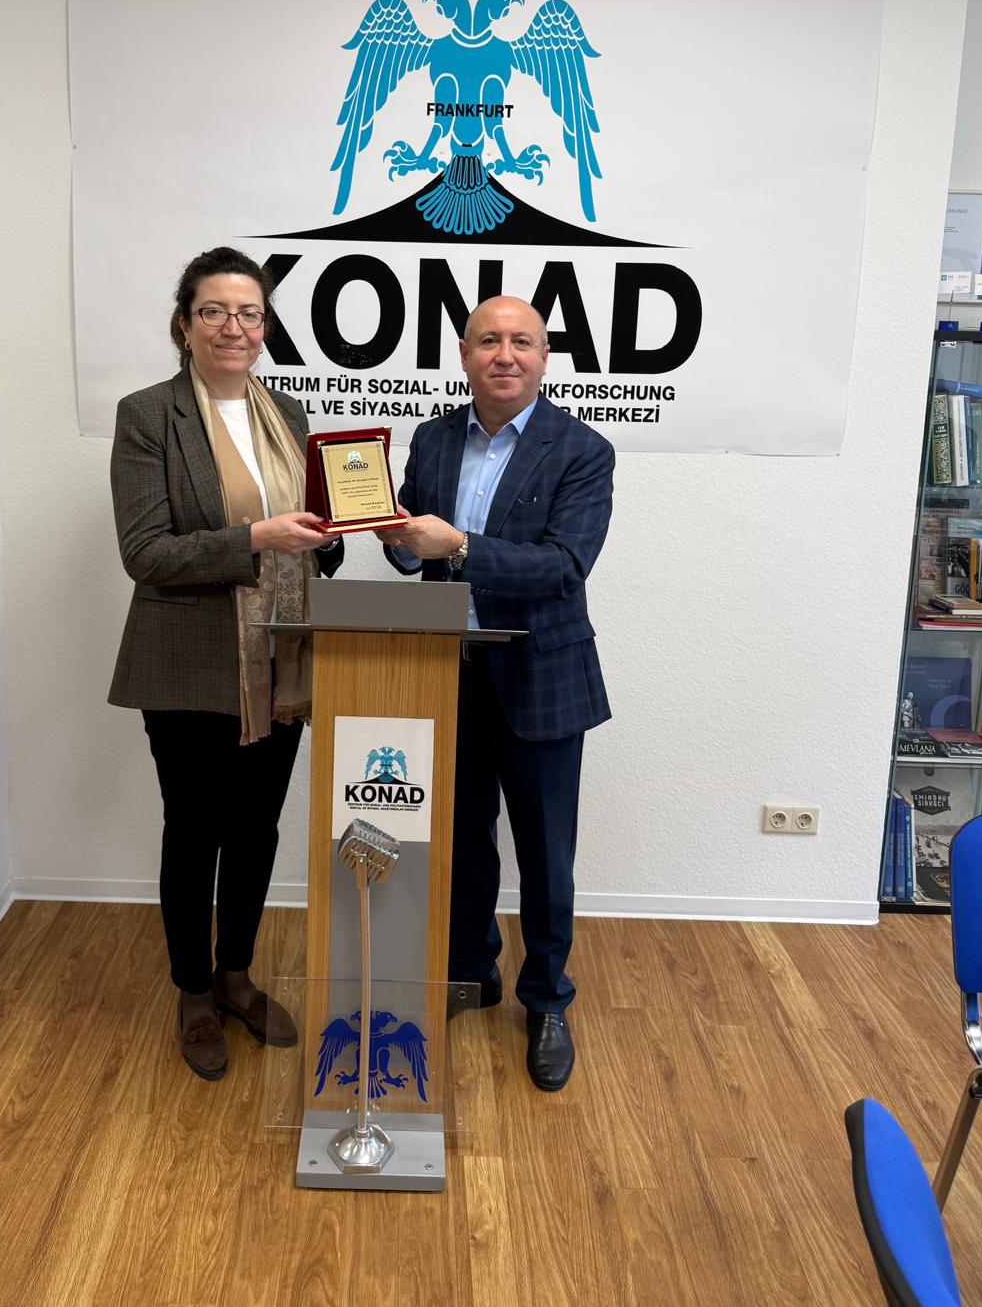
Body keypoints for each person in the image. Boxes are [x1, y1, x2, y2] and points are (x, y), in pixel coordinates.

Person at [108, 246, 342, 1080]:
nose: (233, 327)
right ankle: (193, 991)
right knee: (194, 828)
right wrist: (254, 538)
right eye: (214, 311)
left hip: (282, 655)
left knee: (256, 827)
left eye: (248, 313)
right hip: (188, 662)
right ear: (185, 325)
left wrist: (339, 532)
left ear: (265, 326)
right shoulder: (149, 415)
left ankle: (237, 974)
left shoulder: (291, 415)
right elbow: (145, 553)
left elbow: (316, 538)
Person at [377, 296, 613, 1091]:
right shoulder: (434, 438)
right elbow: (416, 553)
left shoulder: (582, 450)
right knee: (459, 837)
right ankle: (471, 970)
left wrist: (460, 546)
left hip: (541, 676)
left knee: (546, 853)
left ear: (544, 358)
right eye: (488, 341)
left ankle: (546, 999)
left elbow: (563, 568)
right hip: (450, 670)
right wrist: (397, 541)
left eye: (521, 342)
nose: (504, 355)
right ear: (464, 354)